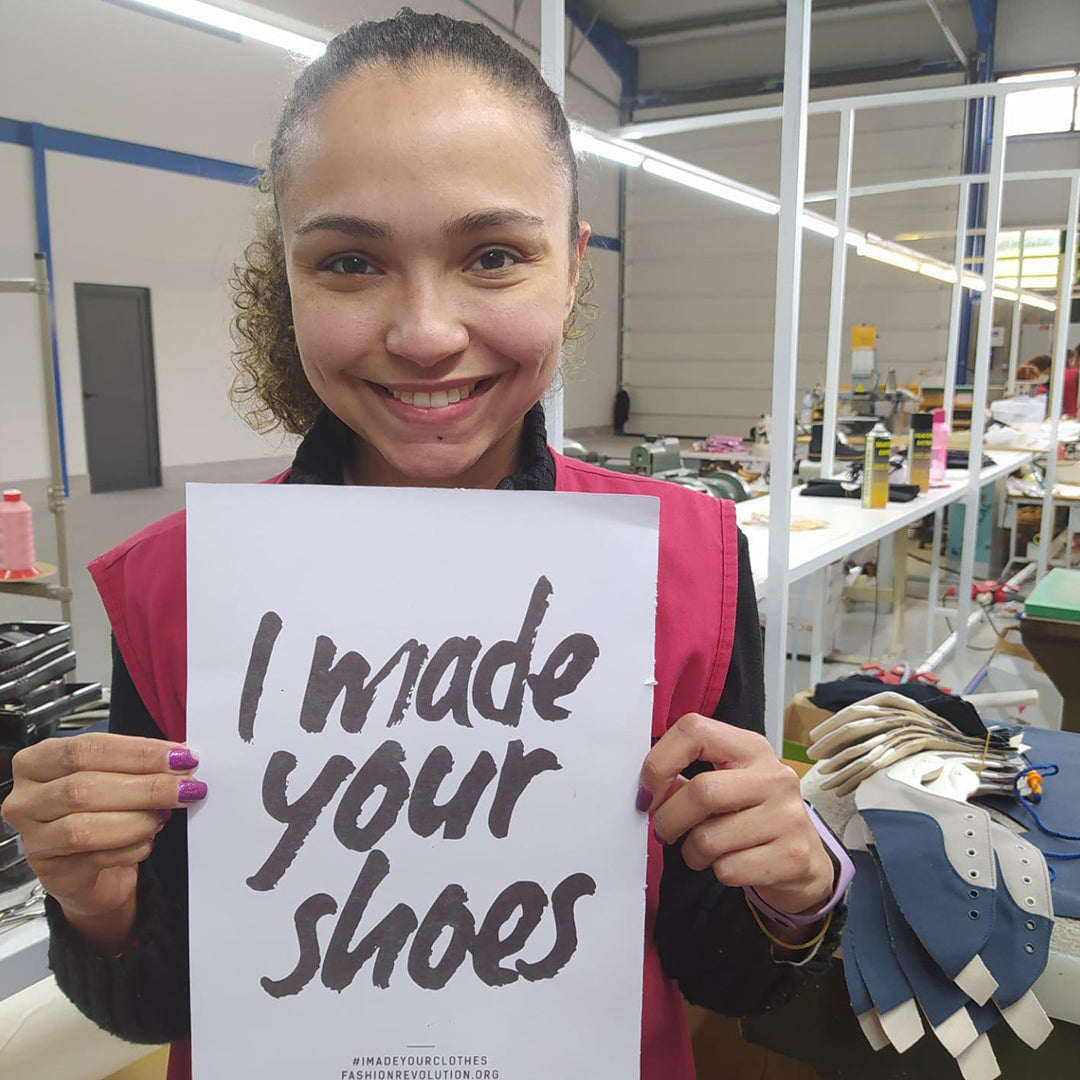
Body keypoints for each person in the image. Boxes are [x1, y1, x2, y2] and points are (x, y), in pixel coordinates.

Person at [1, 12, 848, 1080]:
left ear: (572, 268)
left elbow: (714, 968)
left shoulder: (687, 571)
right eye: (352, 262)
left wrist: (791, 895)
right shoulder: (178, 587)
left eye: (494, 256)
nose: (425, 333)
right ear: (290, 278)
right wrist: (97, 903)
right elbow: (162, 999)